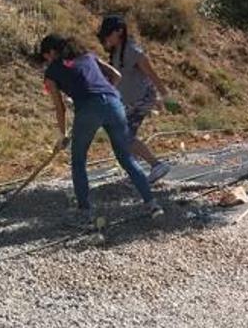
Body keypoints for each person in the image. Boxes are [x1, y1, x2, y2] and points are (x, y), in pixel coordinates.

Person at [39, 34, 162, 225]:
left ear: (51, 52)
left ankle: (85, 213)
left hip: (88, 109)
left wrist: (62, 135)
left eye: (46, 56)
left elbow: (60, 107)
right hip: (114, 103)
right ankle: (152, 204)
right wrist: (103, 95)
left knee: (78, 161)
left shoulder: (52, 70)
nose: (46, 60)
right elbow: (116, 75)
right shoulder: (88, 56)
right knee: (126, 158)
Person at [96, 15, 174, 184]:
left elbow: (152, 74)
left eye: (109, 34)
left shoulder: (133, 52)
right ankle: (135, 170)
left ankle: (156, 165)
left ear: (120, 32)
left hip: (142, 99)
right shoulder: (116, 53)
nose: (107, 39)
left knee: (125, 135)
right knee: (121, 136)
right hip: (128, 101)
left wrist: (165, 96)